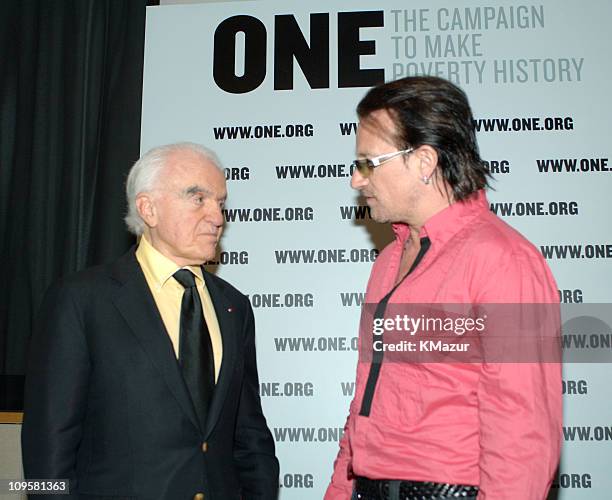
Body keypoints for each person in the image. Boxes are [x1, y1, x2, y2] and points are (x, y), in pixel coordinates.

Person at [325, 77, 561, 500]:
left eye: (368, 163)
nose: (356, 181)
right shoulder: (387, 263)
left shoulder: (504, 259)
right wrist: (340, 491)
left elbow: (522, 432)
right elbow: (365, 402)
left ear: (424, 161)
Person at [22, 142, 279, 499]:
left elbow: (249, 434)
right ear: (148, 209)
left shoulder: (233, 307)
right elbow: (47, 446)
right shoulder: (81, 300)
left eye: (220, 203)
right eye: (198, 198)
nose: (218, 217)